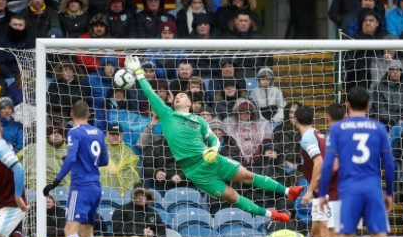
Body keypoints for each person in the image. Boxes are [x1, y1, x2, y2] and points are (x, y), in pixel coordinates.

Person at [125, 55, 299, 221]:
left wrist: (214, 149)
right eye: (176, 96)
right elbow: (150, 93)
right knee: (232, 196)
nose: (178, 96)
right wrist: (138, 72)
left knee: (247, 175)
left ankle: (288, 191)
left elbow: (213, 138)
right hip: (195, 172)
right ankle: (271, 215)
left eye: (182, 96)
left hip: (212, 159)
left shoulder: (199, 120)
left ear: (189, 104)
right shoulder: (167, 114)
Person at [318, 87, 398, 237]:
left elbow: (327, 166)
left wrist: (323, 192)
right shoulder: (379, 128)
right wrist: (389, 193)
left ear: (347, 106)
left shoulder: (338, 129)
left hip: (349, 193)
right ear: (369, 106)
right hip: (373, 191)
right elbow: (389, 165)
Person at [44, 100, 109, 237]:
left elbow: (71, 158)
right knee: (87, 232)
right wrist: (87, 160)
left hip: (80, 186)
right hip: (96, 187)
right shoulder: (98, 132)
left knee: (69, 229)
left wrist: (55, 182)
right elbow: (103, 160)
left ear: (71, 116)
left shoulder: (73, 132)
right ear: (88, 115)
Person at [314, 103, 362, 237]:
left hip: (338, 191)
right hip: (357, 189)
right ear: (346, 116)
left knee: (334, 236)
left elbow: (333, 166)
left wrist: (320, 183)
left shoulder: (335, 134)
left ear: (327, 118)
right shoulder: (357, 133)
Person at [294, 105, 337, 237]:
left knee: (327, 233)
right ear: (313, 120)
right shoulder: (319, 134)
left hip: (326, 190)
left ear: (295, 121)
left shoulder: (308, 138)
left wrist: (309, 190)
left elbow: (318, 162)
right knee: (316, 233)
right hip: (325, 189)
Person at [17, 125, 70, 189]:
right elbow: (15, 160)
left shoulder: (71, 150)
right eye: (53, 133)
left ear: (63, 136)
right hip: (36, 188)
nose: (56, 135)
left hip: (64, 190)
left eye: (59, 133)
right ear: (48, 136)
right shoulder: (33, 148)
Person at [100, 123, 140, 195]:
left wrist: (125, 192)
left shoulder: (128, 153)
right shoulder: (98, 150)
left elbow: (133, 176)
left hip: (122, 196)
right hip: (100, 193)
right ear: (107, 134)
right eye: (112, 134)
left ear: (122, 136)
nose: (115, 136)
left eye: (118, 134)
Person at [371, 60, 403, 128]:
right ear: (389, 72)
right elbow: (381, 110)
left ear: (401, 72)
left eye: (398, 69)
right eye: (393, 69)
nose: (395, 72)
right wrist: (397, 121)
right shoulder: (379, 88)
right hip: (386, 123)